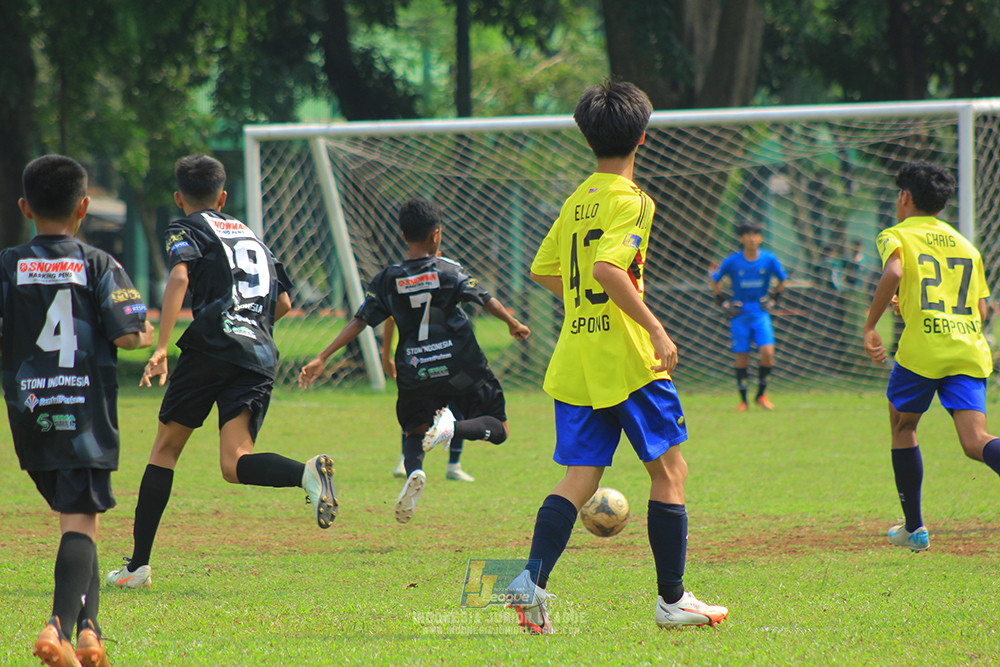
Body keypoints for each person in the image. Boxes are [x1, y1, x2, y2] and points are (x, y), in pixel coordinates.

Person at [505, 80, 728, 634]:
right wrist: (654, 328)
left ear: (587, 137)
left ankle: (528, 584)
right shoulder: (633, 201)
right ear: (643, 138)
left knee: (580, 475)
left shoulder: (578, 200)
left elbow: (543, 270)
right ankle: (672, 600)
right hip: (628, 358)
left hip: (578, 354)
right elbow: (609, 270)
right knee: (670, 470)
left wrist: (584, 307)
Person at [106, 155, 337, 590]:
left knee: (165, 451)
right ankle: (304, 473)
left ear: (179, 198)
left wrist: (160, 348)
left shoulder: (187, 227)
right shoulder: (252, 236)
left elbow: (178, 278)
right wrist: (250, 329)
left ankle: (137, 567)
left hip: (212, 344)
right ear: (224, 196)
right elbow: (284, 304)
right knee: (235, 464)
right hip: (258, 353)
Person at [2, 155, 154, 666]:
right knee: (79, 524)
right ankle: (58, 628)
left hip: (30, 415)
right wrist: (146, 332)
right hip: (84, 413)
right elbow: (131, 334)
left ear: (26, 208)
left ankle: (91, 632)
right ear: (84, 207)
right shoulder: (98, 263)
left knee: (79, 520)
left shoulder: (9, 263)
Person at [299, 198, 529, 523]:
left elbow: (361, 320)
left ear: (404, 236)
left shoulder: (387, 278)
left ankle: (415, 471)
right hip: (461, 366)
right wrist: (512, 322)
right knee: (499, 428)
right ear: (436, 235)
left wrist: (323, 356)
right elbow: (484, 297)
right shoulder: (448, 270)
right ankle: (453, 429)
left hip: (416, 369)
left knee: (413, 432)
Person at [863, 160, 1000, 552]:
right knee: (976, 441)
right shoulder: (965, 246)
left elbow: (893, 272)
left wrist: (871, 324)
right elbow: (982, 309)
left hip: (924, 351)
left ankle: (914, 529)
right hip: (968, 349)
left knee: (902, 425)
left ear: (904, 197)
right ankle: (912, 529)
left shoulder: (898, 235)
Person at [382, 317, 474, 482]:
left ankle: (454, 464)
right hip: (415, 359)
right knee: (414, 410)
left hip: (448, 357)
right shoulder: (408, 296)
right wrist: (386, 355)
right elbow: (391, 319)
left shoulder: (448, 299)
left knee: (457, 406)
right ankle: (405, 460)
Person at [709, 223, 787, 411]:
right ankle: (743, 400)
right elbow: (714, 280)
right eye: (748, 235)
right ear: (741, 238)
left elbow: (782, 279)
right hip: (740, 315)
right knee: (742, 357)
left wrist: (774, 299)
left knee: (768, 354)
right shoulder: (733, 261)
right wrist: (723, 302)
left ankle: (761, 395)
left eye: (756, 235)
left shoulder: (769, 259)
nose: (752, 238)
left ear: (760, 238)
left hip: (760, 313)